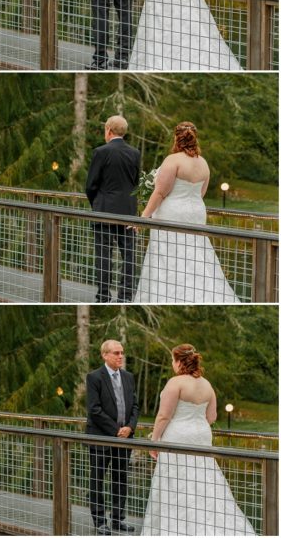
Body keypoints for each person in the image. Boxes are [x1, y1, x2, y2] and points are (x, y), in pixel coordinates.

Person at [141, 345, 255, 535]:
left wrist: (154, 440)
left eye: (172, 360)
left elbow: (163, 416)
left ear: (178, 361)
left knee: (176, 483)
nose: (172, 364)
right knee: (205, 481)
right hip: (201, 436)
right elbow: (211, 417)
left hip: (178, 436)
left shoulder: (175, 383)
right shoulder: (207, 384)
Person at [133, 122, 239, 302]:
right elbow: (201, 193)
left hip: (173, 212)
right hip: (196, 212)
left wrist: (143, 217)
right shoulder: (203, 162)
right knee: (197, 253)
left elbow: (160, 192)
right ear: (194, 138)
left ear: (176, 138)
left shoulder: (172, 160)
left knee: (169, 255)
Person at [85, 115, 141, 303]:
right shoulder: (135, 153)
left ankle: (103, 296)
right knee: (129, 255)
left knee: (103, 253)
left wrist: (97, 204)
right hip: (128, 211)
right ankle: (125, 296)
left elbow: (91, 184)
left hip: (105, 210)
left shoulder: (101, 152)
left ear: (108, 130)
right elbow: (135, 183)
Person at [86, 340, 139, 536]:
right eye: (116, 353)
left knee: (120, 478)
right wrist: (117, 430)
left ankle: (118, 520)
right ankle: (100, 521)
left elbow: (135, 406)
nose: (120, 356)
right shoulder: (94, 377)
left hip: (125, 438)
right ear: (105, 355)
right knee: (97, 479)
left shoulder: (128, 377)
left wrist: (130, 427)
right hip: (101, 437)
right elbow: (94, 409)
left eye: (122, 353)